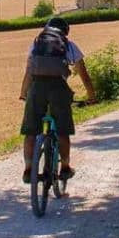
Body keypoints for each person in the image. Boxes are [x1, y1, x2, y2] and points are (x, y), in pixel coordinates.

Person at [18, 16, 96, 184]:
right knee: (62, 130)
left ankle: (28, 170)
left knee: (31, 131)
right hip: (58, 88)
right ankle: (65, 168)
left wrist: (24, 93)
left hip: (36, 88)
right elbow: (83, 73)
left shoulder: (36, 43)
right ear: (65, 32)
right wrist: (91, 95)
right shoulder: (68, 45)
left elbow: (29, 71)